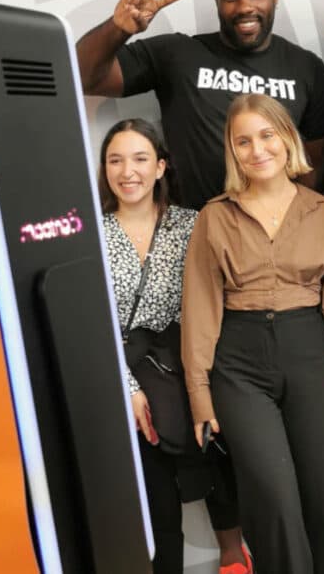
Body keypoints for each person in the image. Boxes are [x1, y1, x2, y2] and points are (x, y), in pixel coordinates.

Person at [181, 93, 324, 573]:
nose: (257, 149)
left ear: (287, 139)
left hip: (310, 355)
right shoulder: (214, 217)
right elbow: (200, 311)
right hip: (238, 367)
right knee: (273, 500)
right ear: (232, 150)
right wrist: (200, 395)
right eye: (243, 141)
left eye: (267, 135)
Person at [97, 118, 252, 574]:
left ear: (161, 166)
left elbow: (215, 301)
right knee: (155, 493)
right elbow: (90, 321)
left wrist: (203, 374)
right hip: (124, 370)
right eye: (115, 160)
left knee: (218, 458)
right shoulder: (92, 233)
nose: (128, 171)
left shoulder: (191, 224)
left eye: (140, 159)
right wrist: (127, 387)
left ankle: (235, 558)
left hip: (188, 362)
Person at [77, 0, 324, 210]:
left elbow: (315, 167)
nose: (244, 7)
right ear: (217, 1)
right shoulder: (178, 55)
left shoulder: (308, 69)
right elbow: (82, 76)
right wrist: (118, 29)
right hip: (196, 226)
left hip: (276, 228)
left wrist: (289, 225)